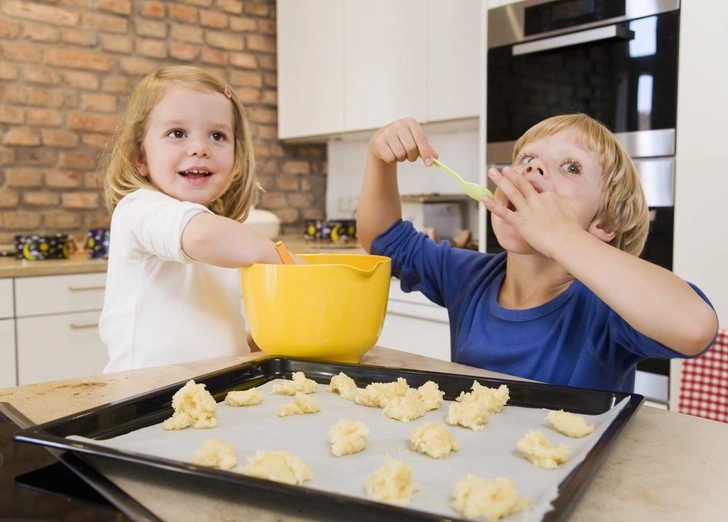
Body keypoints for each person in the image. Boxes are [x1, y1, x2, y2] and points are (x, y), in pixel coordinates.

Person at [357, 114, 718, 392]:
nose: (533, 166)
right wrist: (379, 158)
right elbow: (383, 239)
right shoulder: (468, 278)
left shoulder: (604, 307)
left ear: (604, 224)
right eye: (526, 157)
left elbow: (694, 327)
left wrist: (563, 236)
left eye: (571, 167)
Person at [99, 65, 301, 373]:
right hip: (143, 398)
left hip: (209, 393)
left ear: (237, 158)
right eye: (177, 133)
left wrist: (250, 342)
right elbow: (202, 236)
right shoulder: (140, 208)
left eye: (217, 135)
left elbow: (212, 324)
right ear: (140, 156)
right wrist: (291, 266)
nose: (199, 148)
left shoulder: (223, 233)